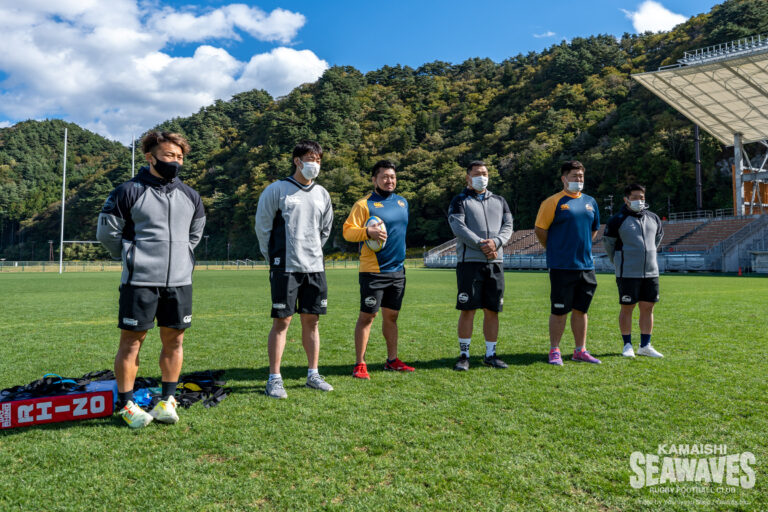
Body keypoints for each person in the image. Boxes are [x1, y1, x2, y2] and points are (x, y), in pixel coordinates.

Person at [96, 131, 205, 428]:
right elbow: (107, 234)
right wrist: (134, 255)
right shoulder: (128, 191)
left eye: (180, 157)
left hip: (179, 282)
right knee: (132, 343)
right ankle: (127, 404)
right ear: (150, 157)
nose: (176, 161)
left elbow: (193, 236)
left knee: (175, 340)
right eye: (169, 155)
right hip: (140, 281)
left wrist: (180, 257)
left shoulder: (191, 196)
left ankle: (168, 400)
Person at [255, 140, 334, 399]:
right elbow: (263, 228)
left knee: (312, 321)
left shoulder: (323, 193)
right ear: (297, 161)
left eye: (319, 159)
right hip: (285, 266)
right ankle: (274, 379)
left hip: (314, 266)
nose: (315, 164)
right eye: (311, 158)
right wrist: (275, 258)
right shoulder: (277, 190)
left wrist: (313, 252)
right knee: (282, 321)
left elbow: (325, 230)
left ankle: (313, 374)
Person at [343, 160, 413, 379]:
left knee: (391, 317)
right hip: (373, 271)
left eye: (392, 176)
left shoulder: (402, 203)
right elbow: (347, 232)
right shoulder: (363, 205)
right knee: (367, 316)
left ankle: (392, 360)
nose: (389, 180)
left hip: (397, 271)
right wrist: (367, 232)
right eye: (384, 176)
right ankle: (359, 364)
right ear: (374, 179)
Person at [447, 161, 514, 371]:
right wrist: (481, 244)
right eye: (476, 174)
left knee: (492, 310)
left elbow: (509, 225)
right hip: (470, 263)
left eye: (484, 173)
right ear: (468, 177)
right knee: (468, 310)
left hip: (495, 262)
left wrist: (497, 242)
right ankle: (464, 355)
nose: (481, 177)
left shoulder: (500, 201)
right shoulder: (459, 200)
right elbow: (458, 227)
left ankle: (490, 354)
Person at [534, 160, 601, 365]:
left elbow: (593, 229)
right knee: (559, 310)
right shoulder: (552, 202)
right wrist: (555, 249)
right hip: (562, 266)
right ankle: (554, 349)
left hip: (586, 266)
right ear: (564, 178)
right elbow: (540, 230)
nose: (578, 180)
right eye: (574, 176)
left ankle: (580, 350)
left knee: (581, 310)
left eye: (581, 176)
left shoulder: (591, 202)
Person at [603, 184, 664, 358]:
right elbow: (609, 244)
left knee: (648, 308)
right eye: (635, 197)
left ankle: (645, 345)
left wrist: (648, 255)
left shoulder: (654, 218)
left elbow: (658, 239)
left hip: (651, 272)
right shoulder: (618, 220)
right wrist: (619, 261)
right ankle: (627, 345)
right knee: (627, 307)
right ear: (626, 199)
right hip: (627, 272)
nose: (639, 200)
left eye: (642, 197)